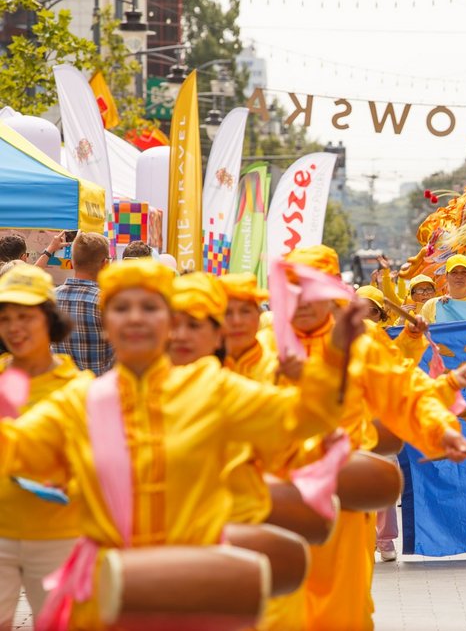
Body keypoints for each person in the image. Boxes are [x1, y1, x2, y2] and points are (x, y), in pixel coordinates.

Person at [0, 258, 352, 629]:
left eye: (150, 307)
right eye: (121, 308)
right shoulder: (78, 402)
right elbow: (16, 451)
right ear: (106, 325)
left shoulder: (212, 389)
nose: (135, 318)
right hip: (109, 597)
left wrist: (333, 358)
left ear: (169, 322)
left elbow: (305, 417)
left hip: (197, 588)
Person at [260, 245, 466, 630]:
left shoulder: (364, 342)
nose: (303, 301)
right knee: (279, 606)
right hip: (276, 499)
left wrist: (440, 428)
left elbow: (406, 393)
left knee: (346, 607)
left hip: (345, 496)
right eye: (294, 289)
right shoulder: (265, 345)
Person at [0, 265, 83, 629]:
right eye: (5, 318)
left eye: (25, 317)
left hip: (58, 537)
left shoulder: (79, 388)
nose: (14, 328)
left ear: (49, 319)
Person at [52, 232, 114, 375]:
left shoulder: (50, 299)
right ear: (105, 263)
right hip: (99, 392)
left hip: (62, 391)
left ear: (72, 262)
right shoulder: (107, 303)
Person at [419, 254, 466, 323]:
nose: (459, 276)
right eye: (454, 272)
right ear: (446, 276)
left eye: (464, 272)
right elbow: (421, 332)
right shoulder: (431, 305)